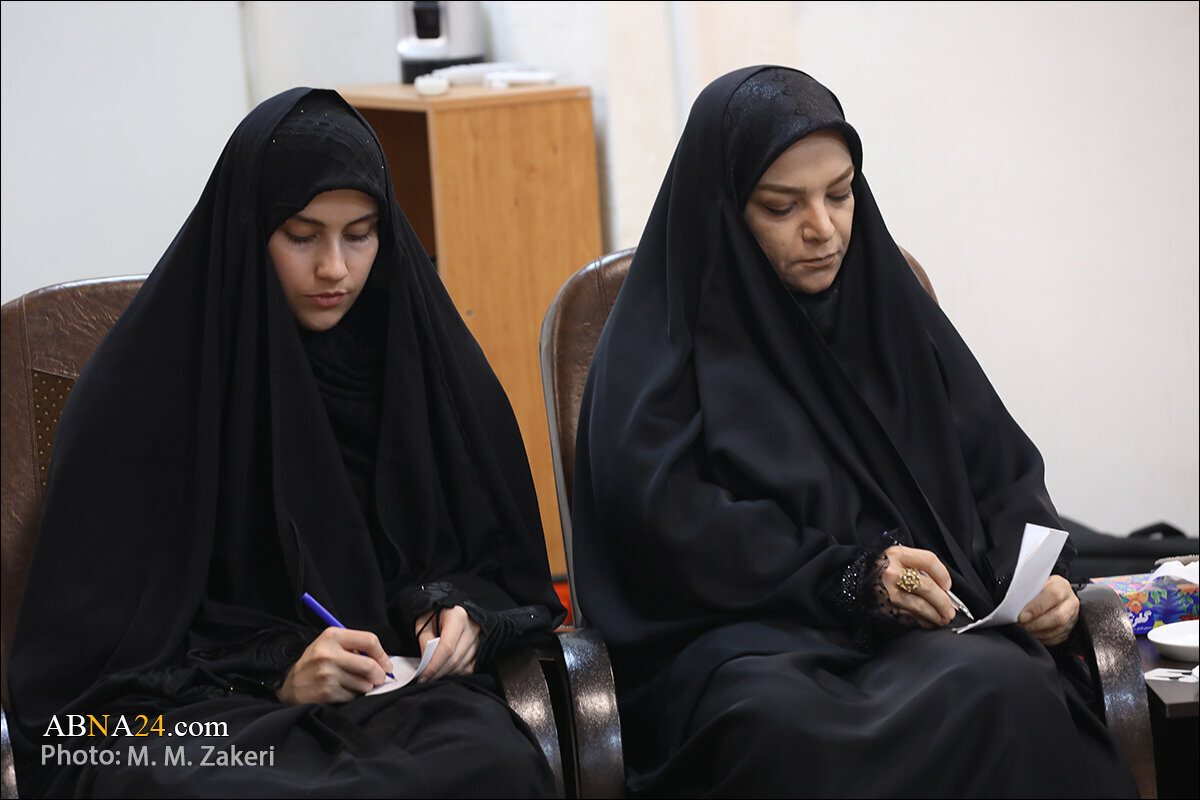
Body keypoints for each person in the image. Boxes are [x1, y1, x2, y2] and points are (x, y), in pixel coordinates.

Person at [571, 66, 1138, 798]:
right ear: (725, 209)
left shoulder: (890, 310)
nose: (823, 228)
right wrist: (853, 575)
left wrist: (1035, 579)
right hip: (745, 645)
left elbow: (999, 474)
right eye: (782, 206)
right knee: (783, 731)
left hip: (926, 634)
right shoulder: (660, 346)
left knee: (1004, 686)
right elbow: (668, 528)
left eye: (840, 194)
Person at [7, 87, 565, 798]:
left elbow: (489, 559)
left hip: (383, 698)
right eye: (302, 236)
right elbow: (89, 678)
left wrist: (450, 611)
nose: (335, 268)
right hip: (193, 715)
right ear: (250, 229)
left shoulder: (411, 366)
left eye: (361, 234)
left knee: (492, 760)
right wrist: (276, 671)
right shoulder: (147, 386)